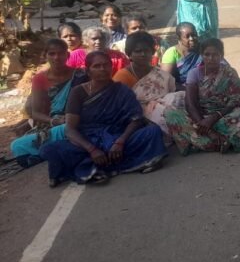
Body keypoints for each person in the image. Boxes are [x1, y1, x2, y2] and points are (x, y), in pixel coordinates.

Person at [39, 51, 167, 187]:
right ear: (88, 71)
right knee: (49, 150)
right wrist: (92, 150)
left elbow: (136, 119)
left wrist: (120, 142)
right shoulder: (78, 92)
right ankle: (127, 163)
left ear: (111, 67)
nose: (102, 69)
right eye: (97, 66)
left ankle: (93, 168)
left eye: (106, 65)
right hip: (88, 140)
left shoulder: (122, 90)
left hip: (117, 138)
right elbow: (70, 129)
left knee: (153, 131)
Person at [164, 38, 240, 155]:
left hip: (224, 116)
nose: (211, 58)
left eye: (215, 55)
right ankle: (221, 140)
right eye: (207, 54)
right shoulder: (194, 74)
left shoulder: (230, 72)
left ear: (221, 55)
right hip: (200, 117)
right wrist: (207, 127)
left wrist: (214, 118)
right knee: (170, 113)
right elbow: (190, 103)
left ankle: (201, 142)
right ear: (201, 55)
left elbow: (235, 100)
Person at [10, 39, 87, 168]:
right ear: (45, 56)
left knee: (71, 129)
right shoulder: (40, 79)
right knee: (17, 145)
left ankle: (47, 152)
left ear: (67, 55)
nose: (56, 57)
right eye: (52, 53)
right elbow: (35, 113)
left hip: (78, 121)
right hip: (55, 125)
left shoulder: (80, 75)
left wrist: (72, 117)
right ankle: (59, 148)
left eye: (61, 53)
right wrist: (54, 121)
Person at [113, 32, 178, 136]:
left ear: (152, 52)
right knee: (168, 114)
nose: (143, 54)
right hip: (137, 116)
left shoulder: (159, 73)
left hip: (163, 108)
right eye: (138, 51)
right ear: (129, 53)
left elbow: (171, 91)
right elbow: (119, 105)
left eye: (146, 50)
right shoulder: (122, 76)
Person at [160, 22, 202, 88]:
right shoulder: (172, 53)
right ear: (179, 38)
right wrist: (188, 90)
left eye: (194, 35)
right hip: (180, 89)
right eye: (187, 37)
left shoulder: (203, 48)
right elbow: (165, 80)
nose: (192, 39)